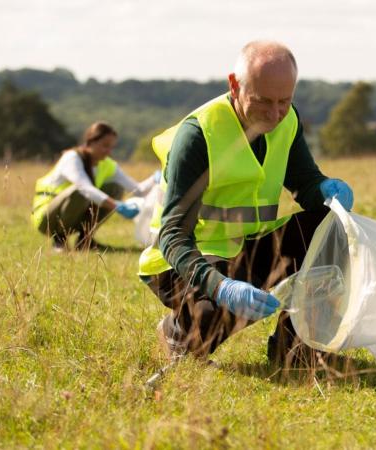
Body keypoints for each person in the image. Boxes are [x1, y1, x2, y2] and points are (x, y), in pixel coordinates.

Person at [137, 40, 354, 367]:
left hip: (244, 250)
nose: (275, 113)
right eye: (263, 101)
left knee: (331, 226)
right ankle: (177, 333)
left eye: (285, 101)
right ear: (234, 85)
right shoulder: (198, 136)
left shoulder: (286, 121)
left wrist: (325, 189)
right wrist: (220, 287)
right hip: (184, 262)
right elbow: (172, 237)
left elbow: (305, 183)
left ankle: (296, 348)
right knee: (210, 320)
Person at [32, 121, 158, 251]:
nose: (108, 151)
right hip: (47, 219)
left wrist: (155, 178)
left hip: (74, 218)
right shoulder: (72, 158)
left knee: (115, 187)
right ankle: (59, 240)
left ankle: (85, 241)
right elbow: (85, 188)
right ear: (90, 142)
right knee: (80, 191)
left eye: (111, 147)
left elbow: (137, 189)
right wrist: (116, 205)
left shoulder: (107, 164)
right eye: (105, 146)